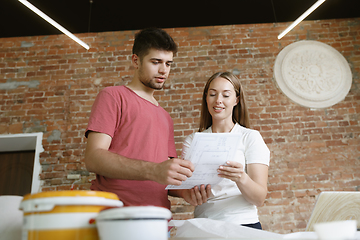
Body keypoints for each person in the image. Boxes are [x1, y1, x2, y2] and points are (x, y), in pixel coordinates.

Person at [84, 28, 195, 210]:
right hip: (117, 215)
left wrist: (184, 192)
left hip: (159, 219)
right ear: (136, 61)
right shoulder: (112, 96)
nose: (163, 70)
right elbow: (93, 157)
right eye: (156, 62)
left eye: (168, 64)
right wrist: (153, 170)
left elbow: (164, 176)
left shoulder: (166, 117)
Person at [170, 72, 270, 230]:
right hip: (205, 226)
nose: (218, 100)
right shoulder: (193, 140)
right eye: (212, 94)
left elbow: (259, 198)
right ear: (206, 98)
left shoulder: (250, 137)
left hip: (243, 225)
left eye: (226, 95)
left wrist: (241, 177)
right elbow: (187, 187)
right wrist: (191, 194)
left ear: (236, 100)